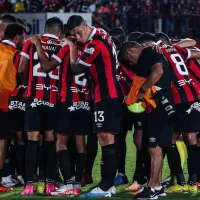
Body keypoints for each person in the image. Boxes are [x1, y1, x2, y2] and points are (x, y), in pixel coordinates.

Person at [29, 26, 93, 196]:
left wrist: (37, 45)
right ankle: (78, 182)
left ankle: (69, 183)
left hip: (67, 101)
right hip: (85, 102)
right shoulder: (89, 49)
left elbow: (48, 66)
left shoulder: (66, 47)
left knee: (60, 143)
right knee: (81, 144)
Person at [66, 15, 123, 198]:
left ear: (85, 25)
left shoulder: (95, 44)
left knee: (105, 138)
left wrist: (72, 46)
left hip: (105, 95)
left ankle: (105, 186)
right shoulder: (102, 34)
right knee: (108, 139)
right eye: (74, 36)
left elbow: (76, 68)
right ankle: (109, 185)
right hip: (112, 93)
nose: (78, 37)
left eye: (79, 33)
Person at [119, 38, 174, 199]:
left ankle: (153, 187)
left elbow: (158, 71)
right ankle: (156, 186)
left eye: (129, 60)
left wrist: (142, 90)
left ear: (130, 52)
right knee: (156, 148)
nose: (131, 63)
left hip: (159, 107)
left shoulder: (147, 53)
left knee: (153, 147)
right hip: (162, 106)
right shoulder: (152, 51)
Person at [18, 17, 63, 196]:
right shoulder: (63, 45)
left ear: (45, 29)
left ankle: (29, 185)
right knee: (50, 143)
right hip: (53, 99)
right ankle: (50, 184)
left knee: (32, 142)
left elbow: (21, 69)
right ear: (59, 32)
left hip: (34, 98)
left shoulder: (30, 42)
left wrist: (28, 84)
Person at [156, 33, 200, 193]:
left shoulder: (160, 52)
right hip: (193, 95)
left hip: (180, 98)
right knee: (192, 138)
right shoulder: (178, 50)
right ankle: (193, 182)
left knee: (171, 138)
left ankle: (181, 181)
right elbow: (194, 44)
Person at [0, 22, 26, 192]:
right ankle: (4, 177)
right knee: (3, 142)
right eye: (23, 36)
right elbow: (22, 79)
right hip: (5, 103)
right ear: (16, 37)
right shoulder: (17, 55)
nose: (24, 39)